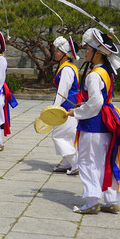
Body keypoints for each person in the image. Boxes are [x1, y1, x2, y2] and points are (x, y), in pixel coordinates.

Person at [68, 28, 120, 214]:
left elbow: (96, 102)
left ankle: (91, 201)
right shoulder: (106, 71)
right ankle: (112, 200)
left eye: (88, 49)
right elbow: (100, 99)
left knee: (88, 161)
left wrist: (77, 111)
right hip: (106, 121)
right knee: (104, 161)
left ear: (98, 53)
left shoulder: (94, 75)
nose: (85, 51)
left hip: (94, 123)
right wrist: (85, 104)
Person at [51, 36, 80, 175]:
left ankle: (75, 162)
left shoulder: (67, 69)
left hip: (67, 105)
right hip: (69, 103)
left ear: (65, 54)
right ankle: (67, 163)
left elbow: (63, 91)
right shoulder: (66, 66)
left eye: (58, 50)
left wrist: (54, 109)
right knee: (66, 135)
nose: (55, 52)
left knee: (58, 135)